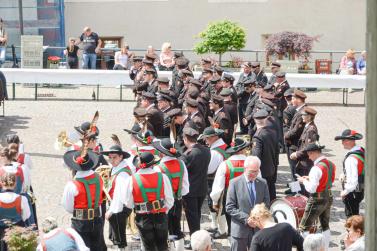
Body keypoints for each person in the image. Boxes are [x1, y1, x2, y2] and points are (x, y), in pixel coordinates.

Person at [106, 152, 174, 251]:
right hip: (160, 214)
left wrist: (137, 206)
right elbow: (170, 199)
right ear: (153, 164)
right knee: (162, 246)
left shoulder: (131, 179)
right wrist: (164, 210)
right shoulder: (162, 177)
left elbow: (128, 202)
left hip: (143, 216)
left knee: (148, 246)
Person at [61, 147, 107, 251]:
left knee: (82, 247)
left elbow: (67, 207)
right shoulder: (98, 178)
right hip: (97, 219)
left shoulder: (72, 184)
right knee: (97, 247)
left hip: (80, 222)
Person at [225, 156, 270, 251]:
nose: (254, 174)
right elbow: (229, 207)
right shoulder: (234, 183)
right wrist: (247, 219)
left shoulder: (263, 183)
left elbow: (266, 205)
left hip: (258, 229)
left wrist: (257, 220)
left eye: (257, 171)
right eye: (252, 171)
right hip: (240, 230)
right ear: (245, 169)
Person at [297, 143, 336, 250]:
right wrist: (310, 178)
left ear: (314, 153)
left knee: (303, 227)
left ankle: (305, 249)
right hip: (328, 195)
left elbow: (311, 189)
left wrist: (304, 180)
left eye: (309, 155)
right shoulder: (331, 164)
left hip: (316, 199)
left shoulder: (315, 168)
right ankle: (325, 248)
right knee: (325, 226)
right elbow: (329, 180)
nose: (309, 158)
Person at [152, 138, 189, 251]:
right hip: (177, 200)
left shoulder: (158, 168)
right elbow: (186, 187)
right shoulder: (181, 163)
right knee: (176, 227)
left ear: (162, 153)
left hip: (164, 203)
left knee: (165, 229)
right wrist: (178, 194)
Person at [210, 138, 250, 237]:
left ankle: (232, 238)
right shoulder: (251, 163)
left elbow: (217, 188)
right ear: (241, 150)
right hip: (248, 196)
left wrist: (215, 202)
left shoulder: (225, 164)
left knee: (231, 222)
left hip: (230, 197)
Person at [181, 127, 211, 249]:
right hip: (202, 188)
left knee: (192, 216)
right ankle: (198, 236)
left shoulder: (188, 154)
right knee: (197, 214)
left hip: (191, 191)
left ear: (185, 139)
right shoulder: (206, 150)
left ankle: (196, 241)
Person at [199, 127, 228, 237]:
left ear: (214, 137)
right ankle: (214, 225)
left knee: (217, 205)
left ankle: (221, 230)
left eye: (207, 139)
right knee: (214, 204)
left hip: (214, 181)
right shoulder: (222, 146)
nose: (205, 141)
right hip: (219, 180)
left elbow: (209, 169)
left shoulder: (215, 152)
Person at [101, 145, 133, 250]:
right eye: (109, 157)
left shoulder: (123, 173)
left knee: (120, 239)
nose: (111, 160)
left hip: (120, 208)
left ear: (121, 157)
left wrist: (111, 211)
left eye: (114, 157)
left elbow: (120, 195)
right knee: (115, 236)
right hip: (116, 206)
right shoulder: (117, 167)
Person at [334, 129, 365, 217]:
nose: (342, 143)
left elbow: (352, 179)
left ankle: (354, 230)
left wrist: (345, 191)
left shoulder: (351, 158)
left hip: (353, 192)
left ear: (350, 141)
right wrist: (344, 174)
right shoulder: (361, 150)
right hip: (360, 189)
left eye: (343, 140)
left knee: (351, 218)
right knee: (355, 213)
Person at [251, 109, 279, 200]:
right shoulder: (272, 132)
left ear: (255, 120)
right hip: (272, 167)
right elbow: (276, 151)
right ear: (266, 119)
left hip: (262, 170)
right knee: (271, 191)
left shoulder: (258, 136)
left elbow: (256, 157)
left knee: (262, 194)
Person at [0, 172, 31, 250]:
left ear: (1, 183)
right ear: (15, 184)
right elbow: (26, 216)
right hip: (17, 230)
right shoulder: (22, 199)